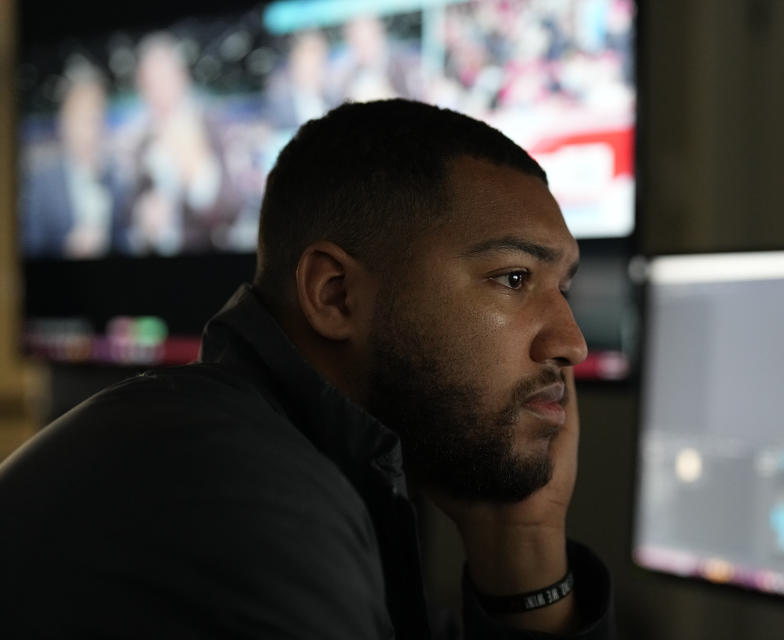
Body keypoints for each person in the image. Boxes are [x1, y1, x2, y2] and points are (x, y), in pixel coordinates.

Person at [0, 99, 615, 638]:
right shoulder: (238, 503)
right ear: (335, 294)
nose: (572, 343)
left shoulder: (281, 455)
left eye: (562, 289)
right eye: (514, 278)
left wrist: (524, 539)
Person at [120, 32, 239, 255]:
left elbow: (231, 207)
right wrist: (142, 215)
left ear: (181, 77)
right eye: (150, 83)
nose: (158, 92)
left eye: (164, 79)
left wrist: (195, 173)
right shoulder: (141, 139)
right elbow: (128, 207)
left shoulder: (211, 125)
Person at [20, 64, 124, 259]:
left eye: (97, 116)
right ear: (65, 123)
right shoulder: (41, 184)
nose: (92, 128)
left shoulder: (116, 180)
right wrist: (66, 250)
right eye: (83, 117)